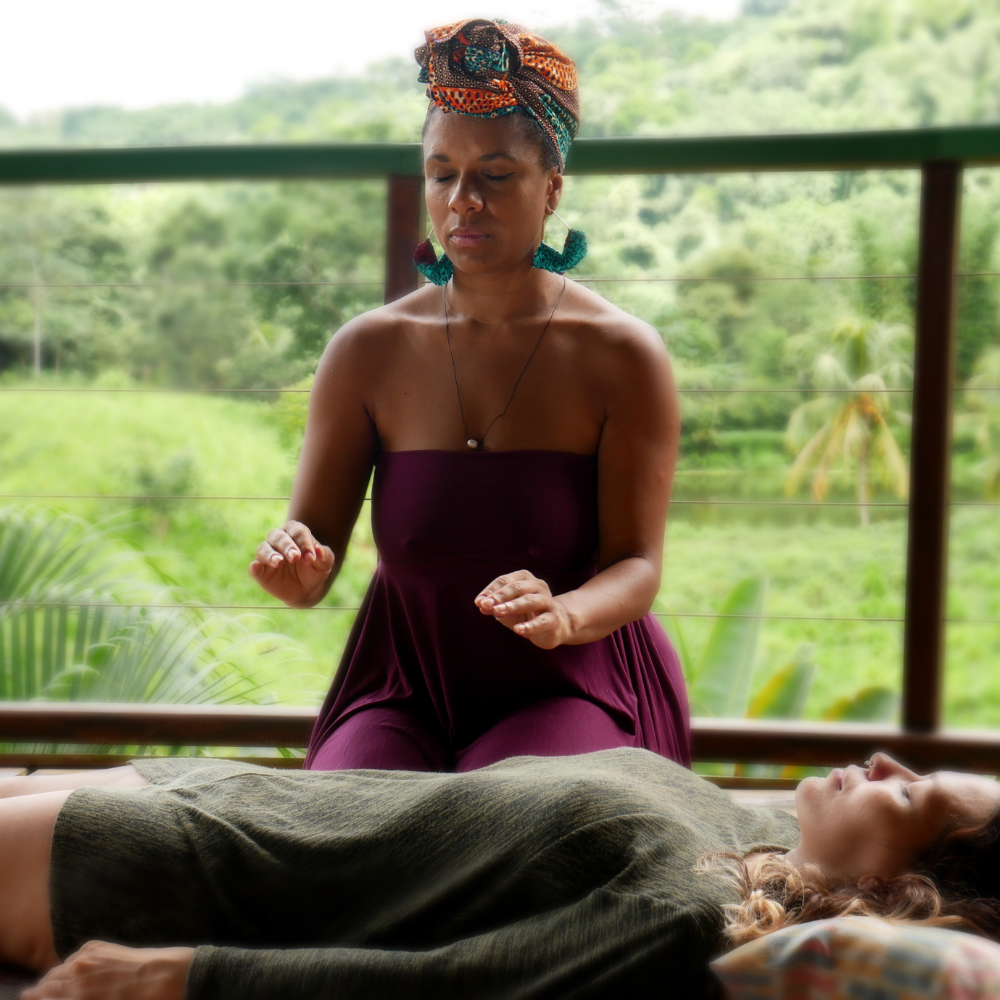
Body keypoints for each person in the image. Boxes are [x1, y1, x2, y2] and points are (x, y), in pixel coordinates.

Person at [248, 17, 690, 773]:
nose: (462, 201)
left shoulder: (623, 355)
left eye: (494, 174)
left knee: (516, 825)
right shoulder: (367, 351)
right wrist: (297, 569)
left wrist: (564, 614)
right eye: (441, 172)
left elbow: (637, 565)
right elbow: (310, 554)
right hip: (402, 684)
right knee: (335, 833)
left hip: (571, 682)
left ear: (551, 189)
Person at [2, 749, 1000, 999]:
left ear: (907, 891)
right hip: (223, 794)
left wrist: (190, 977)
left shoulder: (699, 921)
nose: (882, 764)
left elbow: (459, 988)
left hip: (183, 867)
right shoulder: (759, 832)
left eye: (911, 798)